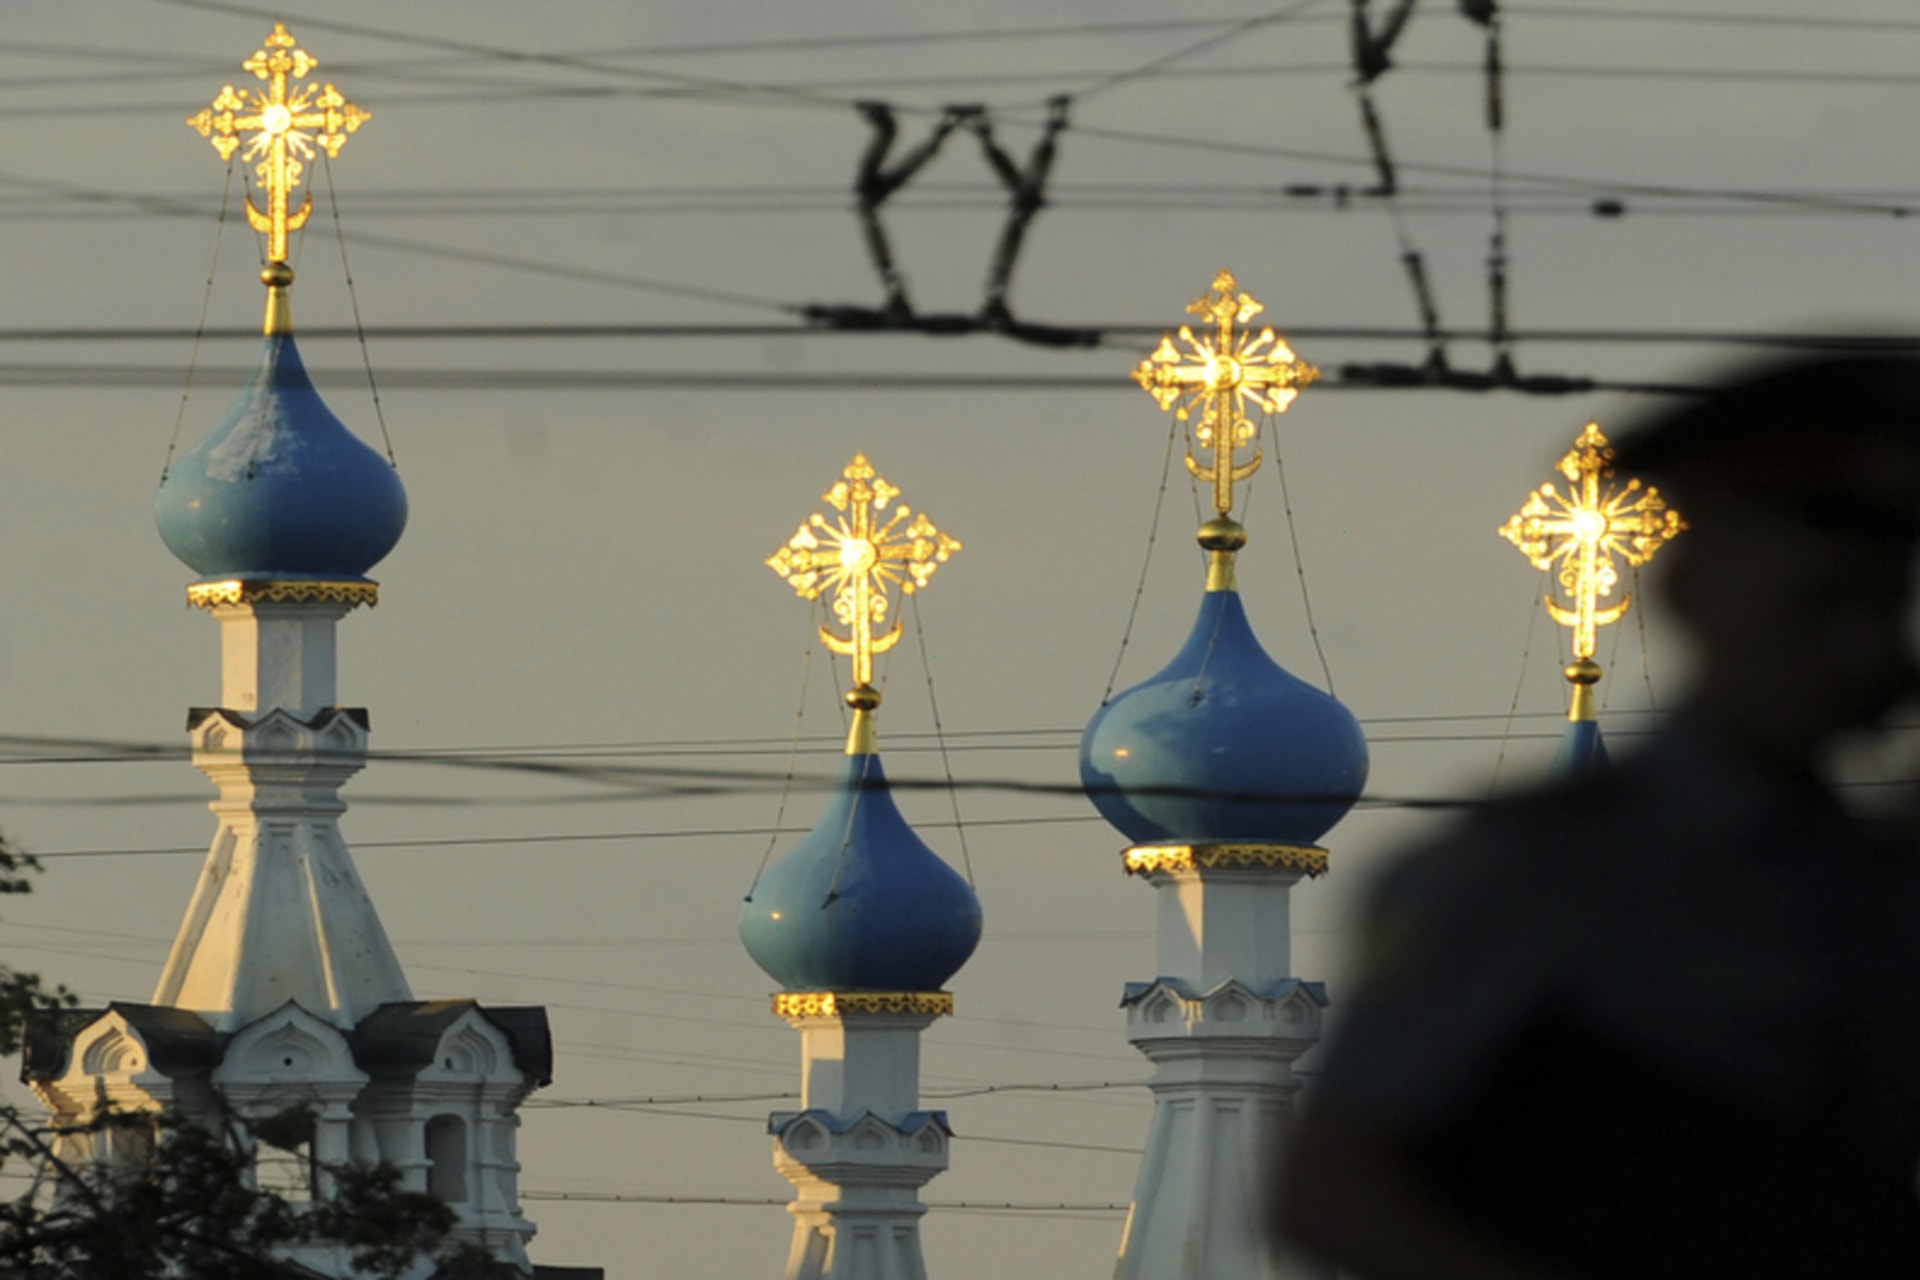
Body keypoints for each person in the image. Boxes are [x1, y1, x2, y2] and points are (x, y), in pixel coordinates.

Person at [1270, 352, 1920, 1280]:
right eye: (1812, 609)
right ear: (1693, 596)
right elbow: (1332, 1187)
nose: (1857, 653)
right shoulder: (1534, 875)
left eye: (1881, 611)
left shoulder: (1882, 886)